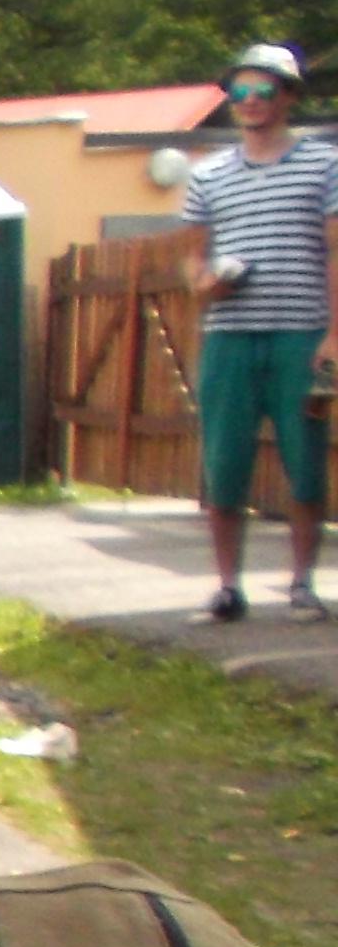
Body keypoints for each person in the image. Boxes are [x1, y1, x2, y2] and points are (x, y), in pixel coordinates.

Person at [179, 41, 338, 624]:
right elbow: (191, 258)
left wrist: (334, 336)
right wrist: (204, 284)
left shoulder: (324, 163)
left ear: (288, 96)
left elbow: (335, 252)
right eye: (239, 91)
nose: (249, 100)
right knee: (223, 464)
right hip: (229, 336)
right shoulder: (208, 174)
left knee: (306, 462)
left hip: (302, 335)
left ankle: (302, 584)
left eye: (262, 90)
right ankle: (227, 586)